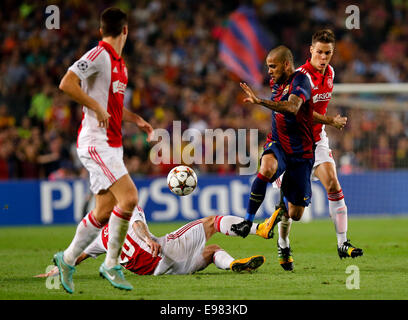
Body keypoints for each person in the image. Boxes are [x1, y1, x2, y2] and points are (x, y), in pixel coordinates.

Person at [53, 7, 154, 293]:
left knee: (103, 210)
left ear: (101, 29)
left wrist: (136, 120)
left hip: (113, 144)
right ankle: (111, 264)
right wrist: (95, 106)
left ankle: (67, 258)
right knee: (130, 197)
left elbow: (115, 107)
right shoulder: (99, 55)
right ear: (126, 30)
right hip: (96, 143)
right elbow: (66, 83)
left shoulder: (121, 65)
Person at [275, 29, 363, 271]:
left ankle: (342, 243)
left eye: (328, 53)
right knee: (293, 212)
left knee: (333, 184)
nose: (324, 57)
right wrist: (331, 121)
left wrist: (324, 125)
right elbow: (299, 112)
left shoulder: (331, 73)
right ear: (311, 51)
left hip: (317, 141)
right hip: (294, 145)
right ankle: (283, 243)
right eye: (320, 52)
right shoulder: (300, 77)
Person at [230, 45, 315, 240]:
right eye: (268, 67)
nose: (269, 71)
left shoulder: (301, 80)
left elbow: (293, 108)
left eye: (273, 66)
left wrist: (260, 101)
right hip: (278, 143)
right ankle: (248, 222)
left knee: (296, 214)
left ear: (286, 64)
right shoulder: (275, 82)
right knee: (266, 168)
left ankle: (281, 205)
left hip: (302, 152)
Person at [38, 208, 268, 279]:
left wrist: (51, 274)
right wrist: (148, 239)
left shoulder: (97, 239)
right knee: (211, 222)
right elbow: (139, 226)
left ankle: (233, 264)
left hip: (160, 272)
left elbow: (73, 260)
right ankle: (261, 229)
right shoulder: (126, 209)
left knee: (212, 251)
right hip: (163, 252)